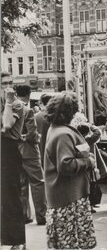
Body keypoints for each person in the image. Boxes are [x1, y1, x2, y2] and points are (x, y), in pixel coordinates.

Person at [44, 92, 96, 249]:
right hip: (68, 198)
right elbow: (65, 165)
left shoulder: (55, 129)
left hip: (64, 196)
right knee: (70, 242)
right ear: (69, 113)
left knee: (67, 242)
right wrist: (87, 162)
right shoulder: (63, 134)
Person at [1, 72, 26, 249]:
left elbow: (7, 126)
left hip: (9, 150)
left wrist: (8, 102)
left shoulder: (16, 104)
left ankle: (17, 241)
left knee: (11, 196)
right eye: (4, 83)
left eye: (10, 82)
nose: (8, 86)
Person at [15, 85, 47, 226]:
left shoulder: (9, 110)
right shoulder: (27, 111)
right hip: (29, 151)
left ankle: (24, 215)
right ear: (28, 95)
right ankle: (41, 216)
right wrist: (37, 137)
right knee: (38, 183)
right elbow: (32, 134)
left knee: (21, 184)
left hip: (15, 152)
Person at [35, 94, 53, 168]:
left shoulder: (36, 116)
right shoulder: (54, 116)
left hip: (39, 145)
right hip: (51, 144)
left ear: (42, 102)